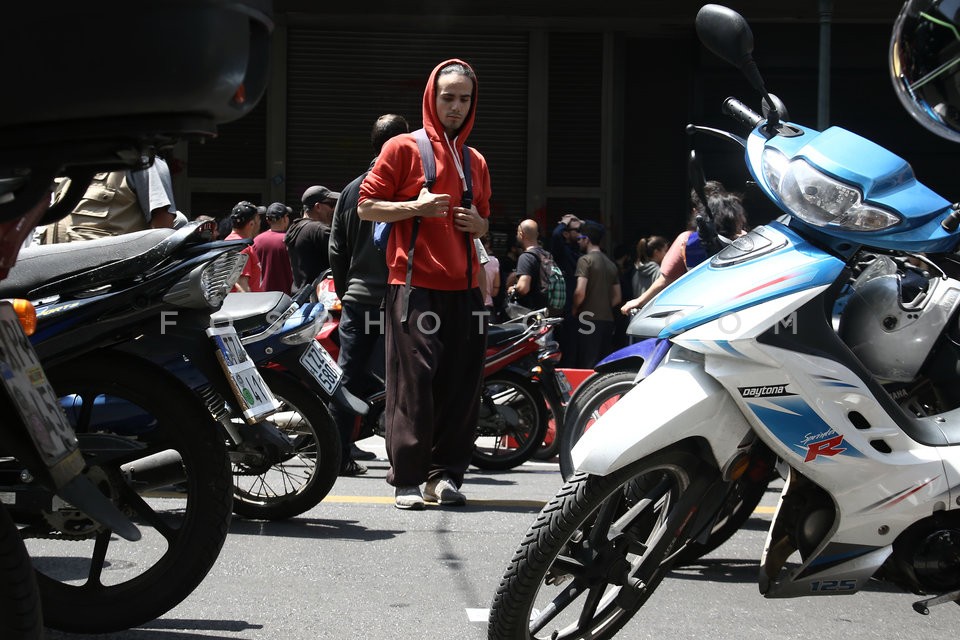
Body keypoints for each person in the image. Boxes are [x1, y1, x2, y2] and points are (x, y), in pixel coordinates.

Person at [357, 58, 491, 510]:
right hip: (414, 285)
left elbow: (483, 222)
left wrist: (480, 223)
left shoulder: (475, 160)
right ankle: (408, 479)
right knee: (414, 381)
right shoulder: (402, 148)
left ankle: (446, 475)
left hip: (466, 289)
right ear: (432, 98)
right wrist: (415, 206)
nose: (456, 106)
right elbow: (366, 207)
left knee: (462, 385)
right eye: (448, 97)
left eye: (464, 99)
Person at [327, 113, 410, 477]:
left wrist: (347, 292)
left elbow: (336, 250)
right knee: (404, 379)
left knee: (349, 377)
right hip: (400, 300)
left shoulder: (350, 191)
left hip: (360, 301)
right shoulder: (409, 190)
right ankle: (404, 461)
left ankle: (338, 454)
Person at [621, 184, 747, 316]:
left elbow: (665, 280)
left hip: (698, 312)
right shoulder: (750, 241)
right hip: (738, 309)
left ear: (696, 212)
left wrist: (639, 301)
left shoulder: (687, 240)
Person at [46, 155, 180, 242]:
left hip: (107, 281)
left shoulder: (142, 162)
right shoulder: (70, 164)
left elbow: (162, 229)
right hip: (54, 276)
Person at [572, 220, 621, 368]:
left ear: (587, 239)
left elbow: (580, 292)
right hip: (607, 321)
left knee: (587, 361)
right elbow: (617, 297)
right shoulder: (611, 264)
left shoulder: (585, 261)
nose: (579, 242)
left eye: (580, 238)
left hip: (587, 319)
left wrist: (574, 309)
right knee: (602, 363)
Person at [286, 185, 339, 291]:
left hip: (300, 295)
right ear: (318, 207)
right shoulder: (318, 229)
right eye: (332, 204)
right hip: (317, 299)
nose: (334, 209)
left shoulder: (295, 227)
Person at [549, 214, 584, 366]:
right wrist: (564, 223)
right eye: (576, 231)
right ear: (566, 233)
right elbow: (555, 236)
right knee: (565, 342)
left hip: (579, 303)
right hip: (566, 304)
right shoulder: (562, 251)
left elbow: (597, 229)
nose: (580, 234)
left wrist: (579, 221)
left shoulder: (580, 249)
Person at [253, 202, 294, 294]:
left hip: (262, 295)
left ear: (268, 220)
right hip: (286, 295)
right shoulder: (289, 240)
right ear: (284, 219)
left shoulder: (256, 241)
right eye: (287, 216)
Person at [507, 219, 549, 311]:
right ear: (537, 235)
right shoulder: (546, 254)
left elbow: (523, 288)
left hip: (532, 313)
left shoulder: (526, 257)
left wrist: (512, 289)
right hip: (546, 310)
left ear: (521, 234)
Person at [225, 200, 263, 293]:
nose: (260, 223)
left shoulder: (228, 242)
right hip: (248, 305)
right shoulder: (242, 248)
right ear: (251, 224)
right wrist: (251, 306)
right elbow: (242, 287)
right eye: (258, 219)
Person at [480, 234, 500, 316]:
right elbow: (495, 291)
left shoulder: (463, 261)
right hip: (487, 306)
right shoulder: (494, 261)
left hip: (465, 306)